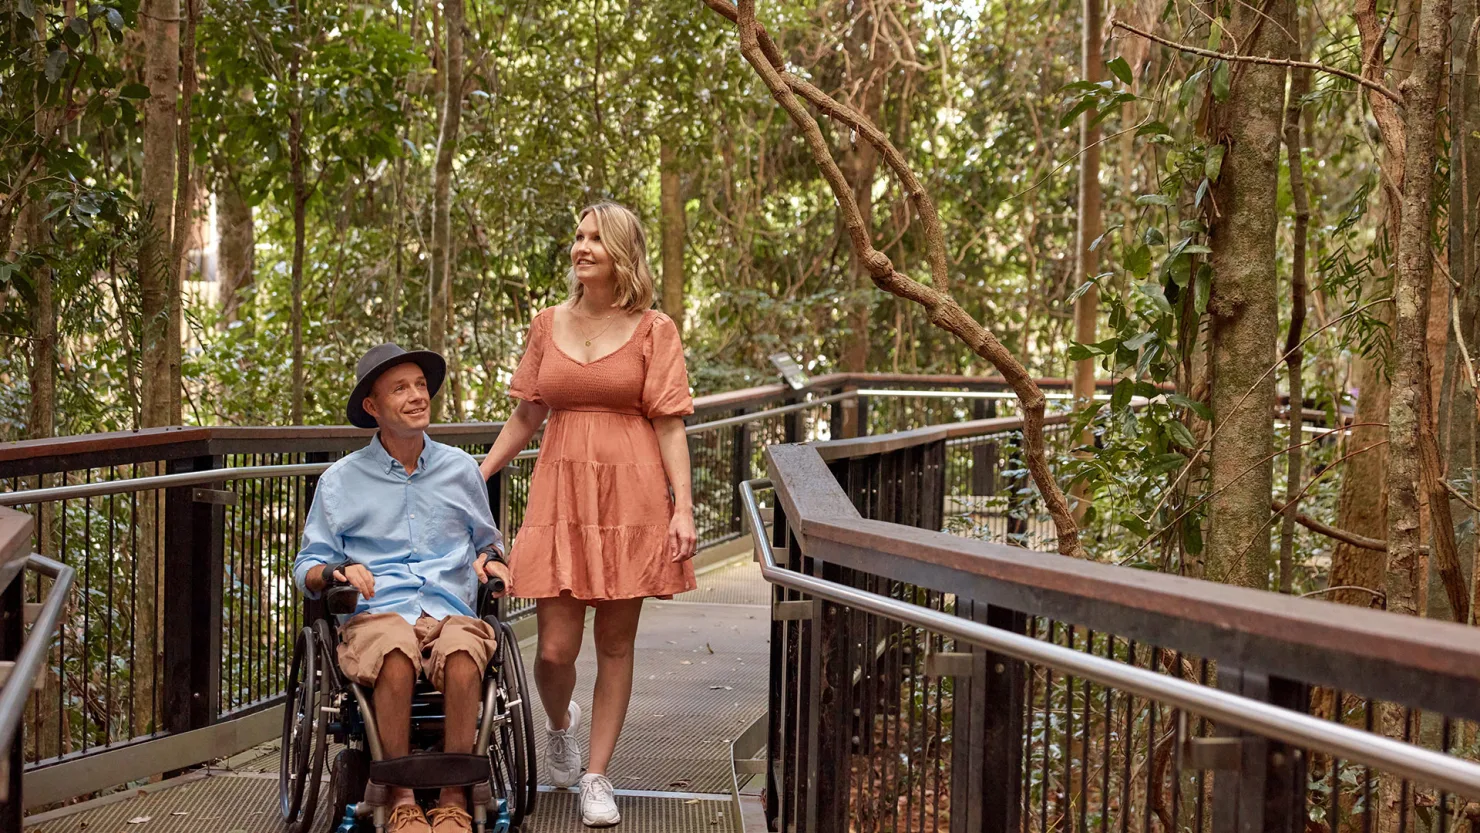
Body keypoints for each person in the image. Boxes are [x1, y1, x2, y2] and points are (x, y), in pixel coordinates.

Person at [478, 201, 698, 828]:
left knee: (616, 644)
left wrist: (682, 508)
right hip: (561, 495)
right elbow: (528, 412)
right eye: (577, 235)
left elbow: (670, 424)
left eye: (596, 238)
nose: (581, 246)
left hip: (631, 498)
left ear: (621, 251)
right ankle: (559, 725)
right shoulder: (547, 324)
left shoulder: (655, 329)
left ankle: (598, 776)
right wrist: (479, 473)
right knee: (553, 650)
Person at [293, 343, 513, 833]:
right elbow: (307, 566)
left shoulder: (460, 470)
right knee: (393, 649)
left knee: (462, 651)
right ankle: (402, 800)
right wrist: (337, 573)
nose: (417, 396)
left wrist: (492, 562)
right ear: (372, 408)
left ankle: (455, 797)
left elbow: (487, 543)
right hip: (377, 615)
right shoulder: (340, 482)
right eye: (401, 388)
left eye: (420, 385)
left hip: (450, 612)